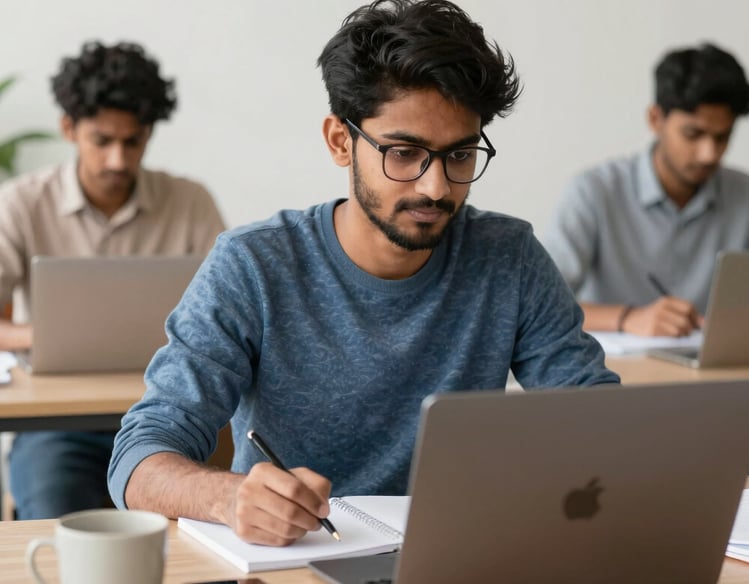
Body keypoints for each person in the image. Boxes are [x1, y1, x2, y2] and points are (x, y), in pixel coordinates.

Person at [108, 0, 619, 547]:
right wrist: (229, 498)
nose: (436, 187)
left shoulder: (508, 255)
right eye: (404, 153)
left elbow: (596, 417)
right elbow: (138, 459)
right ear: (339, 141)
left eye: (460, 155)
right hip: (301, 560)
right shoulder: (253, 265)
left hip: (455, 554)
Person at [0, 41, 226, 519]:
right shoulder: (20, 203)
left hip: (170, 421)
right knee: (56, 518)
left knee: (211, 528)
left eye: (133, 141)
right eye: (102, 141)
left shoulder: (190, 202)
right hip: (57, 427)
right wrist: (47, 336)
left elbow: (229, 316)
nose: (119, 160)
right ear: (69, 129)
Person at [545, 42, 749, 338]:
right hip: (616, 374)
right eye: (693, 134)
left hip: (715, 374)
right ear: (655, 119)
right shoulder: (594, 191)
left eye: (722, 137)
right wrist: (629, 318)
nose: (709, 154)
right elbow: (542, 305)